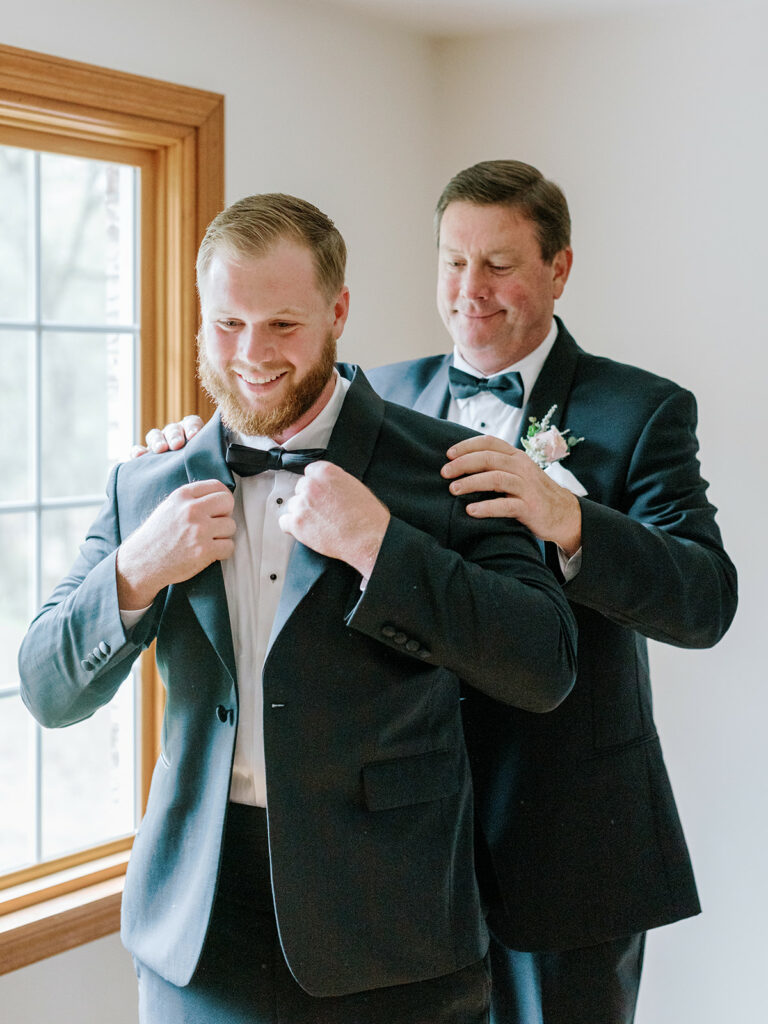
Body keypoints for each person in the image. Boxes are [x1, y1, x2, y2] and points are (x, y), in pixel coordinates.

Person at [146, 162, 738, 1024]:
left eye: (498, 264)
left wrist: (568, 519)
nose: (471, 289)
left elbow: (705, 599)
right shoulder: (376, 395)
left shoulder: (639, 410)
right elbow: (264, 425)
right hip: (393, 847)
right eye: (453, 262)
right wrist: (185, 445)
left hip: (560, 829)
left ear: (558, 270)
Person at [18, 192, 578, 1024]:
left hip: (393, 925)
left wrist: (384, 549)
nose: (251, 354)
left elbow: (544, 665)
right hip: (199, 924)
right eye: (228, 324)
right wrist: (137, 570)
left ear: (338, 311)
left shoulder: (451, 466)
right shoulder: (148, 484)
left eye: (282, 324)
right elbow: (46, 687)